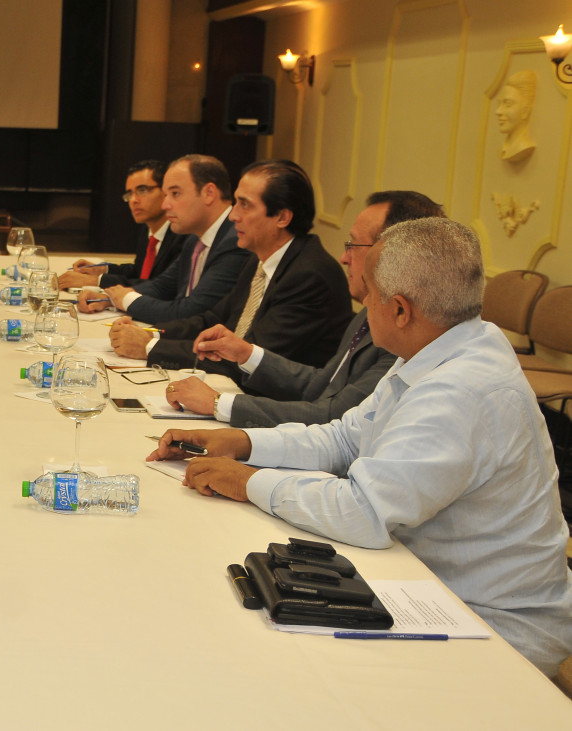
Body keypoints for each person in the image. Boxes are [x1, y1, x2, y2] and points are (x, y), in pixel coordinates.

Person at [148, 217, 572, 677]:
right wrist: (244, 442)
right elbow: (346, 436)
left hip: (490, 622)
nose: (363, 304)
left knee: (276, 662)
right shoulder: (441, 346)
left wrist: (247, 482)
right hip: (431, 583)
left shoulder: (461, 389)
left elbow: (365, 513)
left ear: (401, 310)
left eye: (368, 293)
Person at [162, 191, 444, 426]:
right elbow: (323, 384)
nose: (344, 257)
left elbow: (335, 415)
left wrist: (218, 403)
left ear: (392, 255)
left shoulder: (406, 329)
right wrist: (246, 353)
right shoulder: (369, 310)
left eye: (353, 245)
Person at [109, 159, 350, 376]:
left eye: (245, 205)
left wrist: (149, 347)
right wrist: (152, 333)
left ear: (282, 218)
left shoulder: (309, 275)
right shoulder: (259, 259)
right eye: (236, 203)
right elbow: (212, 320)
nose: (233, 215)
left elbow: (248, 359)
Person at [77, 154, 251, 324]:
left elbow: (190, 312)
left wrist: (126, 299)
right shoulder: (194, 239)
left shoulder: (235, 241)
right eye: (166, 195)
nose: (165, 205)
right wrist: (109, 298)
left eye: (175, 193)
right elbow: (162, 286)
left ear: (209, 193)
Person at [59, 160, 184, 289]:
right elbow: (139, 272)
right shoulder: (147, 228)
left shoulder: (182, 236)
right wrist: (102, 269)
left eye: (142, 190)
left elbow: (164, 287)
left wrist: (97, 281)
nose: (133, 200)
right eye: (130, 193)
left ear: (165, 191)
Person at [495, 70, 536, 163]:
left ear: (525, 111)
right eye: (499, 104)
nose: (498, 111)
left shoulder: (523, 147)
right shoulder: (503, 149)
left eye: (508, 104)